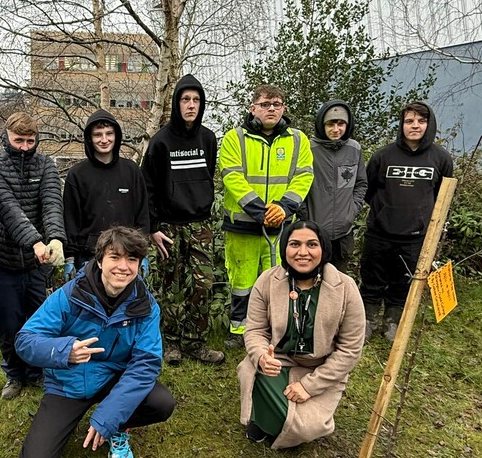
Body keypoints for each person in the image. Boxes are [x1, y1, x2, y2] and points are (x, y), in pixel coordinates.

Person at [15, 226, 175, 458]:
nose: (123, 266)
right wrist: (65, 351)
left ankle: (118, 429)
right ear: (100, 261)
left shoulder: (145, 306)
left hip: (115, 377)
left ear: (139, 265)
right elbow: (25, 340)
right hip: (69, 383)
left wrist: (109, 418)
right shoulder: (69, 296)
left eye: (132, 259)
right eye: (115, 257)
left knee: (162, 403)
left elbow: (146, 363)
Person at [237, 220, 365, 448]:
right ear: (285, 248)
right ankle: (264, 418)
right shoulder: (267, 281)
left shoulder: (346, 288)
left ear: (323, 249)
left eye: (312, 245)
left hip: (320, 367)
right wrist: (261, 356)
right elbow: (255, 330)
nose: (302, 252)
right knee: (251, 371)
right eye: (294, 244)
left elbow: (350, 349)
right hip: (278, 361)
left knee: (307, 428)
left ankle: (271, 418)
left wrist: (309, 387)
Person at [0, 111, 66, 400]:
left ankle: (36, 371)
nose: (25, 147)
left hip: (35, 264)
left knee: (38, 319)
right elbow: (7, 209)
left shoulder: (46, 166)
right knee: (7, 321)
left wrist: (54, 238)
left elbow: (51, 203)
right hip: (3, 260)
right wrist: (35, 242)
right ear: (7, 137)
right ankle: (13, 373)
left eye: (30, 141)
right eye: (19, 140)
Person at [220, 84, 314, 346]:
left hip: (281, 228)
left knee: (279, 280)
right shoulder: (235, 138)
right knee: (242, 282)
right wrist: (260, 212)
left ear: (283, 108)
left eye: (276, 104)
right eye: (265, 104)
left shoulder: (297, 140)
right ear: (253, 108)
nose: (271, 109)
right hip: (243, 227)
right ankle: (240, 331)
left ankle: (276, 331)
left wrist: (283, 208)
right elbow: (232, 176)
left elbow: (304, 176)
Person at [141, 74, 223, 365]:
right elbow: (147, 186)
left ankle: (195, 343)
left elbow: (208, 175)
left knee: (203, 284)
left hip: (201, 224)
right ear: (176, 103)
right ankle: (172, 342)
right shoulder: (161, 142)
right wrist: (152, 228)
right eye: (185, 99)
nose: (191, 105)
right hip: (168, 226)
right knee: (170, 285)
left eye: (196, 100)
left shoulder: (208, 139)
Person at [360, 101, 454, 341]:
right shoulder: (383, 156)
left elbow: (443, 197)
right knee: (372, 278)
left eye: (421, 121)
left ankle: (391, 323)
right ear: (401, 125)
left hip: (415, 236)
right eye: (409, 121)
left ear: (429, 125)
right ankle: (367, 321)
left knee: (403, 281)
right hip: (380, 232)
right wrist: (385, 212)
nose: (415, 126)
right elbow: (368, 191)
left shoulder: (441, 159)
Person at [63, 109, 149, 270]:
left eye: (109, 133)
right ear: (89, 138)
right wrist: (70, 257)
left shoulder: (132, 171)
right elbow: (70, 221)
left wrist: (142, 253)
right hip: (89, 257)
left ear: (116, 136)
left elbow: (142, 216)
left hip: (127, 255)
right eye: (98, 134)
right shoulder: (77, 174)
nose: (104, 139)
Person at [300, 100, 367, 273]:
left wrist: (351, 210)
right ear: (322, 124)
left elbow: (361, 183)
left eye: (341, 124)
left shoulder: (354, 149)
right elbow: (297, 184)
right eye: (331, 124)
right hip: (313, 231)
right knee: (310, 279)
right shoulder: (308, 148)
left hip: (343, 234)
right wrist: (306, 216)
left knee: (337, 282)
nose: (336, 129)